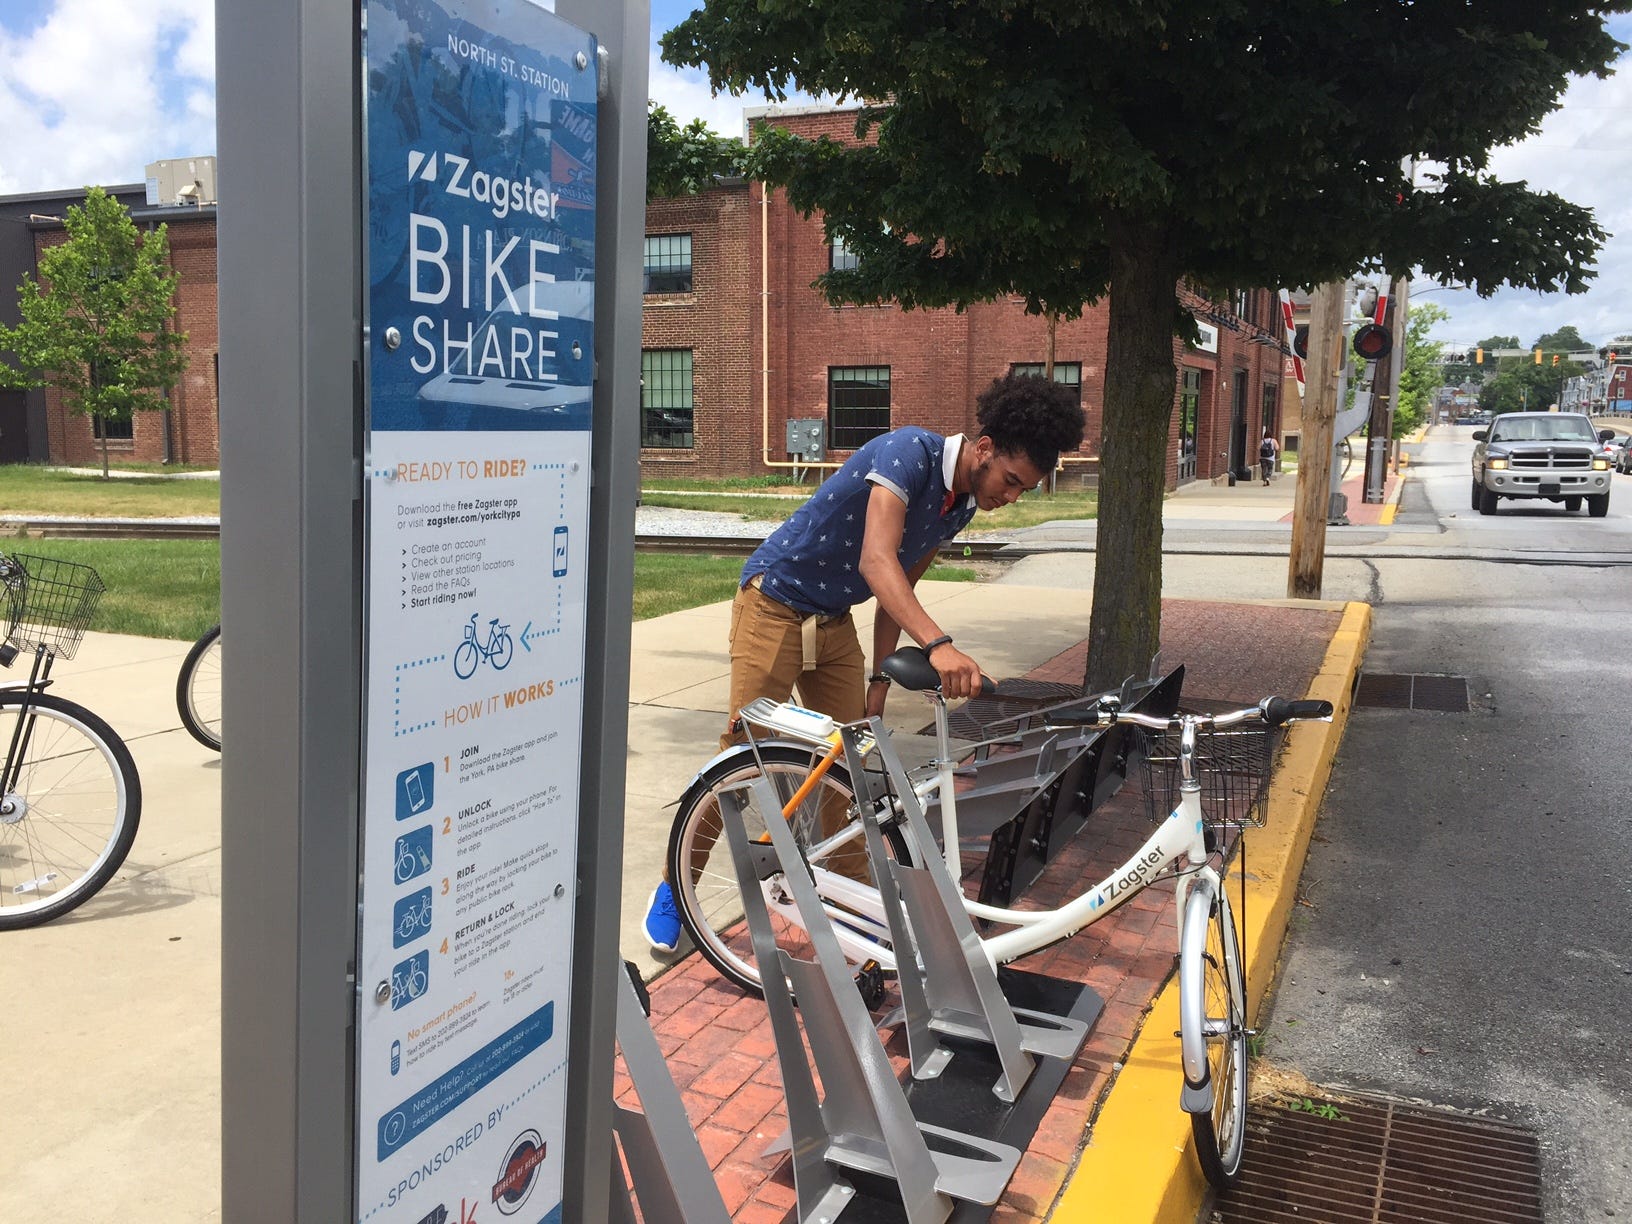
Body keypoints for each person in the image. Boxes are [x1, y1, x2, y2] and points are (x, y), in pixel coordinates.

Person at [642, 373, 1088, 952]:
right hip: (773, 602)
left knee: (846, 764)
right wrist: (938, 644)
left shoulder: (959, 506)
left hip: (832, 623)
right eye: (1011, 480)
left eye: (1023, 489)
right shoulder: (908, 453)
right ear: (984, 449)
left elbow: (895, 590)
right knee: (740, 758)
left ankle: (849, 901)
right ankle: (676, 886)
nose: (1012, 496)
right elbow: (878, 561)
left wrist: (880, 676)